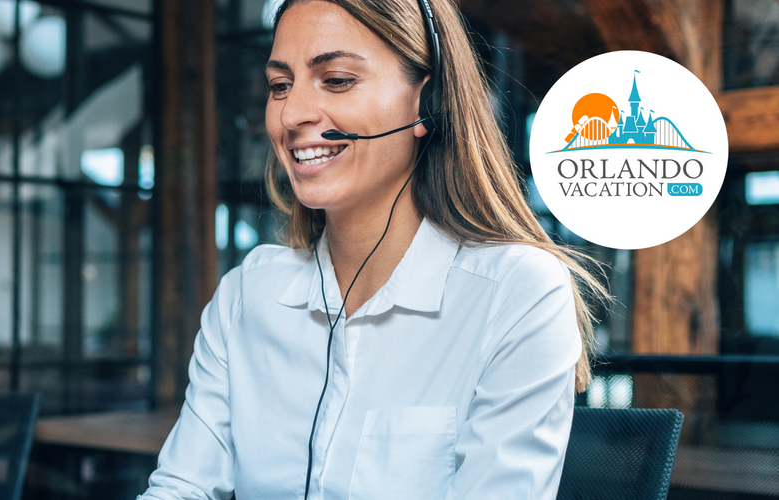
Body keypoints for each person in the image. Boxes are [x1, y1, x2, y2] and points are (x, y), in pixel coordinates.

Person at [139, 0, 607, 498]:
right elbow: (181, 487)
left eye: (337, 79)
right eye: (280, 85)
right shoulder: (246, 297)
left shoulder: (516, 294)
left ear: (426, 105)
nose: (292, 113)